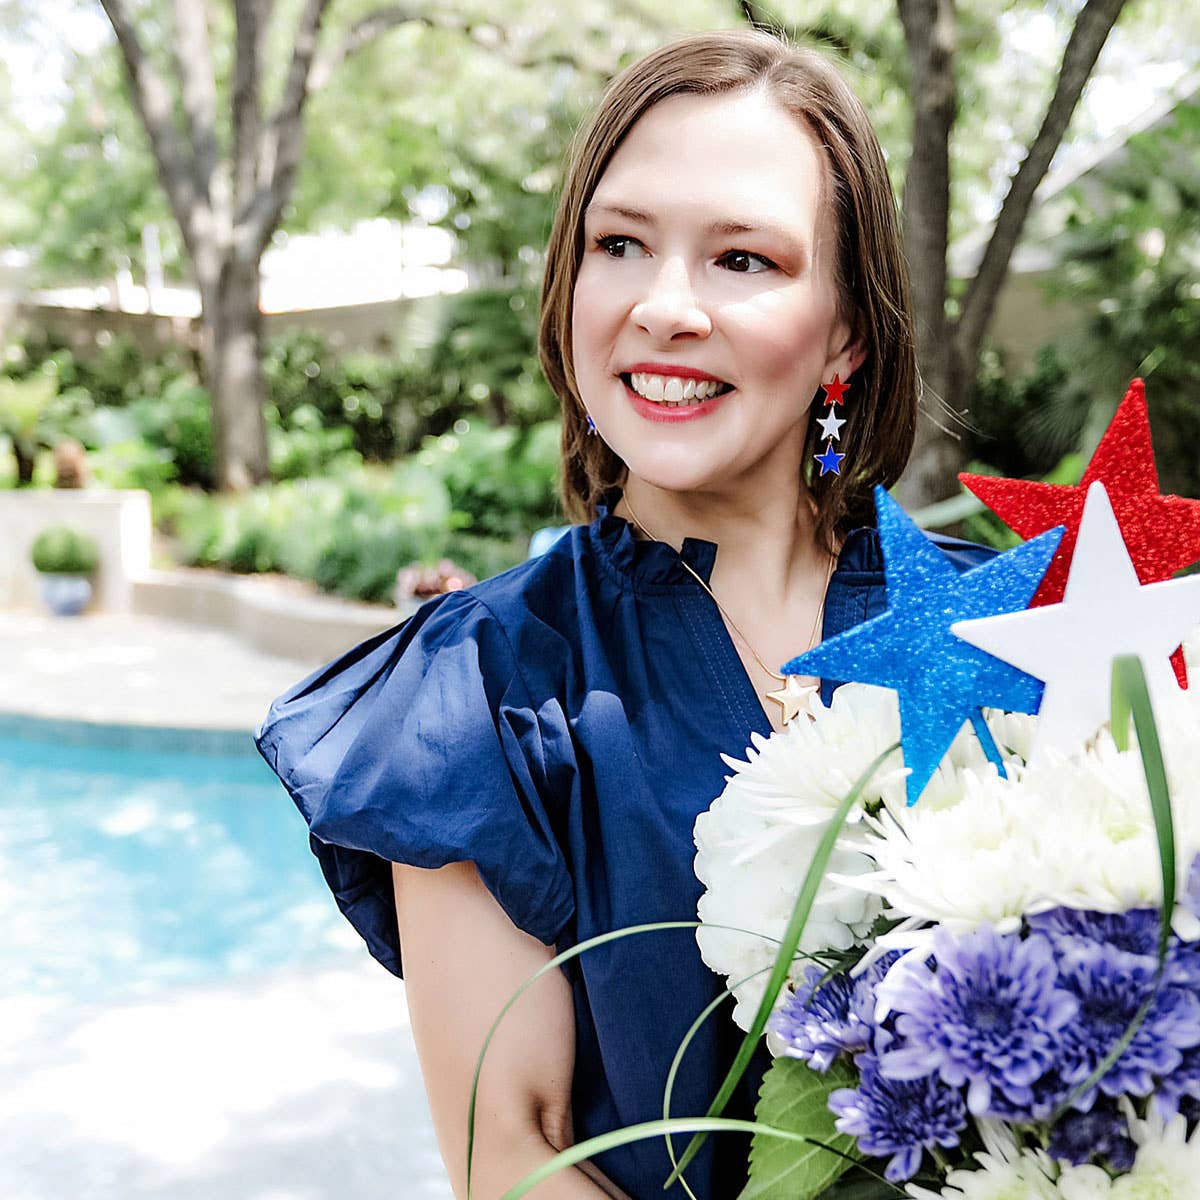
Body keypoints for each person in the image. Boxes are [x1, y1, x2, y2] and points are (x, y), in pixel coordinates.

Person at [254, 28, 993, 1200]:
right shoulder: (481, 692)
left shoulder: (1016, 627)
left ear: (846, 330)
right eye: (620, 244)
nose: (664, 307)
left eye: (742, 259)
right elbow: (514, 1152)